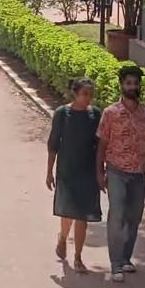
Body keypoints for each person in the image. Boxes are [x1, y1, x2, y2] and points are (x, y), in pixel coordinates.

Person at [96, 65, 145, 283]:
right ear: (121, 85)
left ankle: (126, 258)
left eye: (135, 83)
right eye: (128, 83)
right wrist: (100, 172)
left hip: (139, 172)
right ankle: (115, 263)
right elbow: (102, 144)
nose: (132, 87)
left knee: (134, 217)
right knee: (117, 215)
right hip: (116, 171)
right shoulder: (111, 113)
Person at [46, 78, 102, 274]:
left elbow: (100, 144)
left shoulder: (95, 114)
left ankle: (78, 256)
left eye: (90, 94)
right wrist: (49, 172)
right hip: (67, 170)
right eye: (85, 94)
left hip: (87, 171)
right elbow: (53, 144)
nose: (88, 98)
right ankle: (63, 237)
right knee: (69, 211)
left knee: (83, 216)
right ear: (75, 94)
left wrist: (100, 171)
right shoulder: (63, 114)